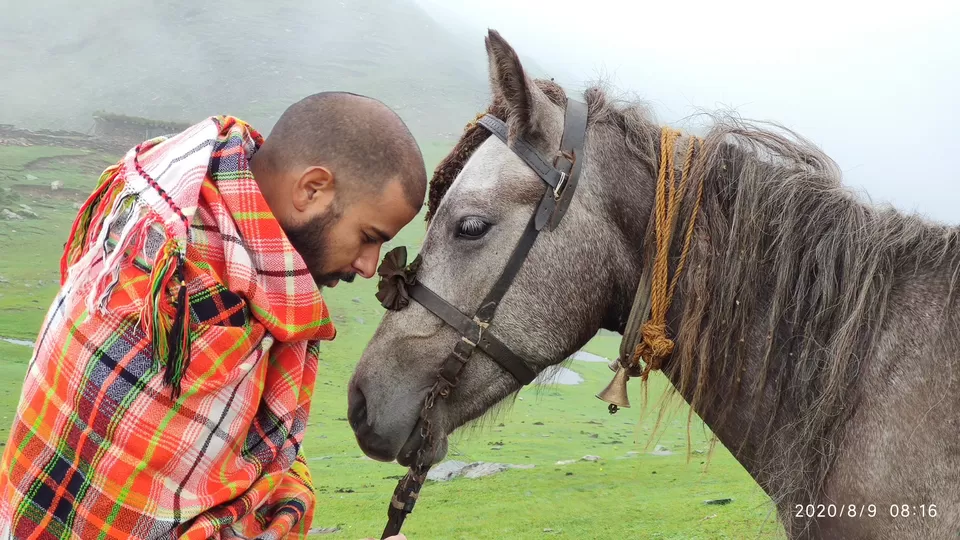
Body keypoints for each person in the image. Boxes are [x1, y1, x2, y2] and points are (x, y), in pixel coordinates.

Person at [0, 92, 422, 540]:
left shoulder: (181, 202)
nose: (369, 266)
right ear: (311, 189)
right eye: (368, 237)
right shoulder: (185, 300)